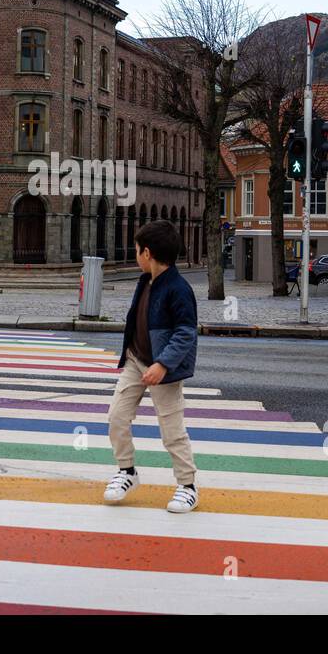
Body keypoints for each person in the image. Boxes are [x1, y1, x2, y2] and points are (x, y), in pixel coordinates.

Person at [104, 219, 200, 514]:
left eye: (136, 250)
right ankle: (127, 472)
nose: (136, 256)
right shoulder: (144, 281)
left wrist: (162, 364)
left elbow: (186, 332)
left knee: (171, 430)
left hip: (165, 371)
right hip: (136, 360)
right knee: (116, 417)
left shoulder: (179, 289)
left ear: (147, 253)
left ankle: (188, 486)